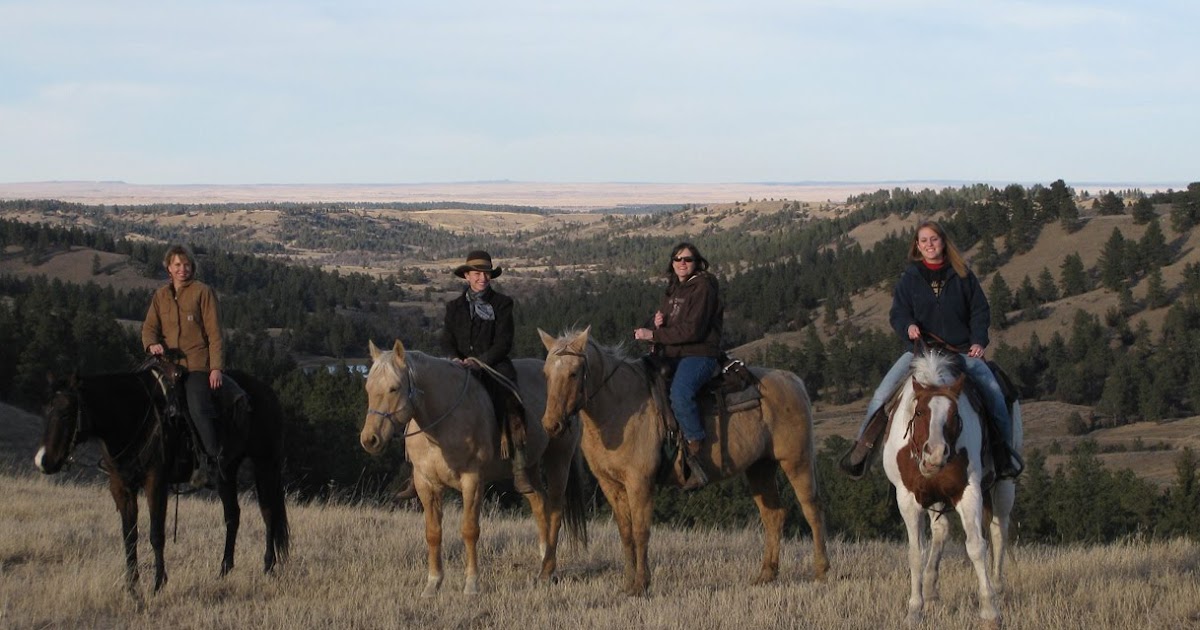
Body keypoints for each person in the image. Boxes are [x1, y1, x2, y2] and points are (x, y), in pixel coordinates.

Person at [840, 221, 1022, 480]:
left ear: (943, 242)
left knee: (993, 394)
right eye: (923, 240)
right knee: (882, 394)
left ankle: (1003, 456)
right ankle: (862, 450)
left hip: (960, 351)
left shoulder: (963, 275)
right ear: (917, 245)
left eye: (933, 239)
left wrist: (978, 341)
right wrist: (908, 327)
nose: (929, 245)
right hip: (921, 352)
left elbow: (980, 311)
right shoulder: (910, 278)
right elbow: (898, 313)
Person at [441, 250, 533, 494]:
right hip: (458, 364)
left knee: (511, 402)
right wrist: (454, 358)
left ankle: (519, 466)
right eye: (477, 273)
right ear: (467, 276)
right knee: (428, 399)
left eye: (486, 273)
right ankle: (416, 471)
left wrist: (479, 361)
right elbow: (447, 339)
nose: (482, 278)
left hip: (493, 364)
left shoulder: (502, 304)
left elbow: (504, 342)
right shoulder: (454, 307)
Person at [634, 242, 724, 490]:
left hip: (699, 354)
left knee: (680, 394)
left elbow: (692, 330)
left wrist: (652, 335)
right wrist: (656, 322)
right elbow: (666, 325)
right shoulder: (674, 289)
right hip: (673, 353)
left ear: (697, 262)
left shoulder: (703, 287)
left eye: (687, 259)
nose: (681, 263)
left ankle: (696, 453)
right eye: (677, 259)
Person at [141, 244, 225, 488]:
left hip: (196, 364)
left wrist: (216, 367)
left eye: (186, 264)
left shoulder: (202, 292)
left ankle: (211, 463)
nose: (182, 269)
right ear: (169, 268)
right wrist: (151, 345)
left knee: (198, 407)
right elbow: (149, 328)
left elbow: (215, 333)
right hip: (166, 364)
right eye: (177, 265)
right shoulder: (160, 296)